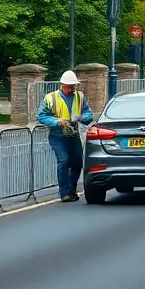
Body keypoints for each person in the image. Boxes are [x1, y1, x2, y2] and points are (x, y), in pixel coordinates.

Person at [36, 70, 94, 202]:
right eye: (70, 85)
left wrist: (80, 118)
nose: (72, 88)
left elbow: (88, 114)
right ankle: (64, 193)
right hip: (57, 135)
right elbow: (41, 116)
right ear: (63, 85)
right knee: (63, 160)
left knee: (78, 162)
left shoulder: (79, 97)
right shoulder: (51, 98)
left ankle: (71, 190)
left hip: (73, 134)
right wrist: (57, 121)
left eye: (74, 85)